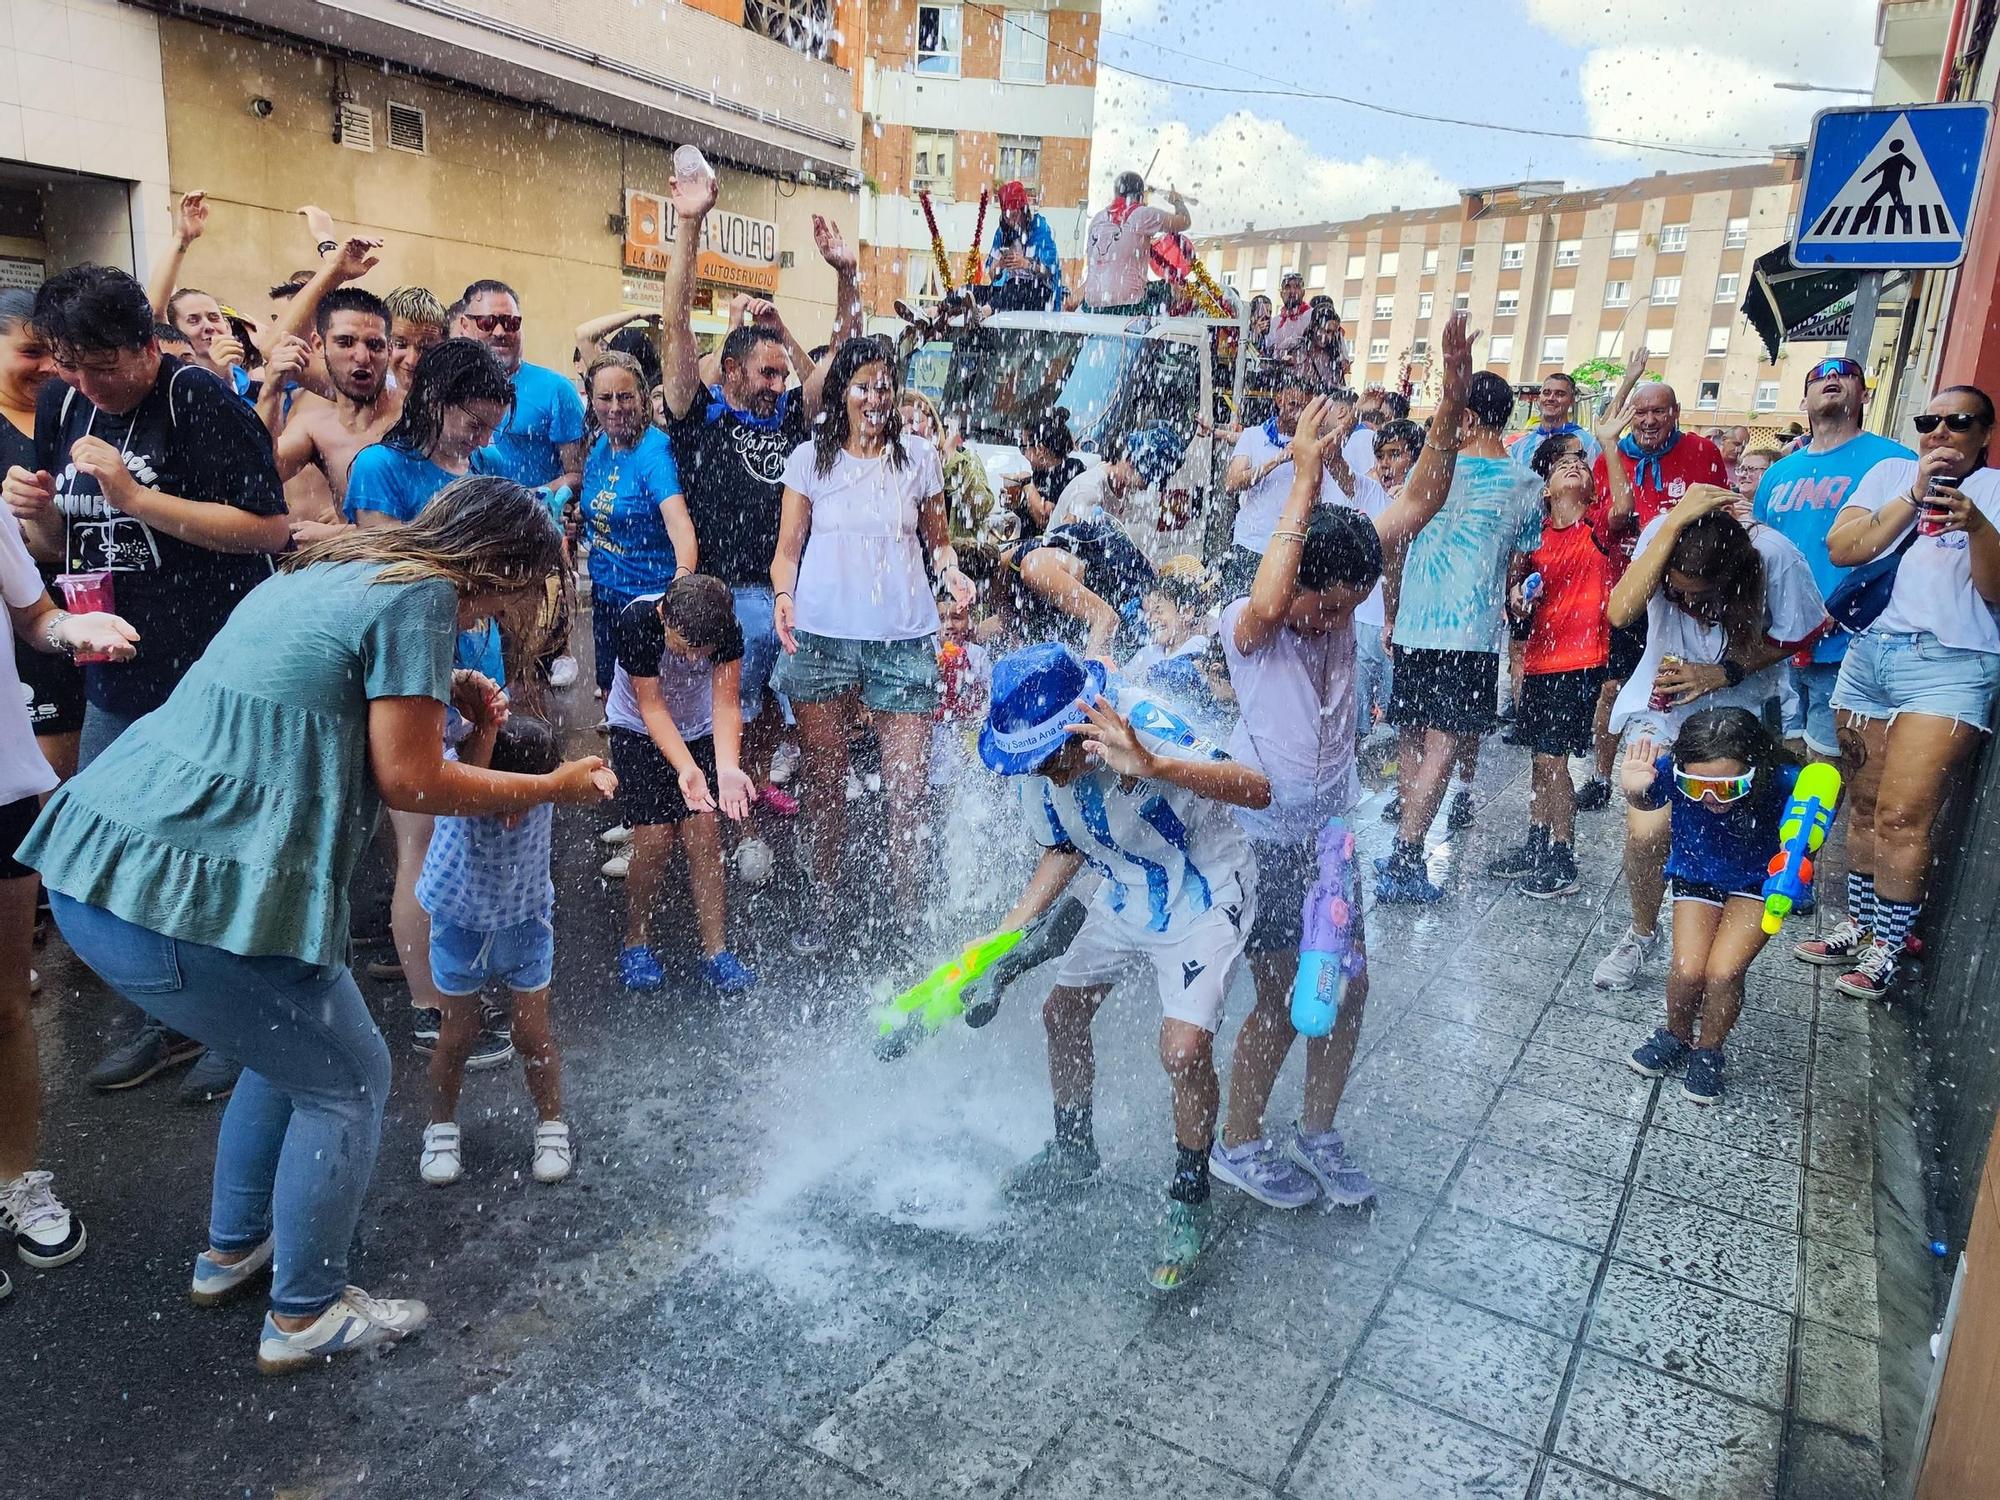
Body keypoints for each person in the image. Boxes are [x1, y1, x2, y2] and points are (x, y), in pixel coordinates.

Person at [18, 477, 614, 1369]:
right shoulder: (422, 595)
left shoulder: (346, 564)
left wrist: (430, 681)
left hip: (116, 864)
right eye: (523, 590)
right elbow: (412, 781)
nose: (515, 612)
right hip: (178, 898)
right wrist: (552, 786)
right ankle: (303, 1312)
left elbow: (312, 674)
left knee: (286, 1047)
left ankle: (234, 1249)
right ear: (498, 569)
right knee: (348, 1076)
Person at [5, 264, 291, 1103]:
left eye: (101, 363)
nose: (83, 380)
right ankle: (155, 1020)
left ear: (144, 344)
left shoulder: (198, 401)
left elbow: (266, 528)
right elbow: (65, 541)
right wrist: (36, 511)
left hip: (211, 669)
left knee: (215, 854)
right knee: (110, 856)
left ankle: (233, 1029)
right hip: (111, 670)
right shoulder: (65, 403)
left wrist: (135, 495)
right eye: (68, 362)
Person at [1210, 330, 1470, 1212]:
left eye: (1348, 610)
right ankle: (1236, 1144)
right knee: (1282, 1000)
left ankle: (1318, 1129)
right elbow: (1282, 595)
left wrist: (1454, 403)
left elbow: (1417, 507)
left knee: (1348, 988)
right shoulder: (1250, 623)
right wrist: (1306, 473)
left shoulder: (1345, 578)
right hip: (1262, 838)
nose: (1329, 623)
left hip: (1325, 835)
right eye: (1324, 607)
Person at [977, 643, 1272, 1291]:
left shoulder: (1145, 719)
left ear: (1081, 726)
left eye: (1048, 756)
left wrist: (1156, 763)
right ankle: (1072, 1151)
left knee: (1184, 1050)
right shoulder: (1041, 773)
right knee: (1061, 1014)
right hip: (1123, 888)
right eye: (1028, 762)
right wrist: (1006, 932)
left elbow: (1258, 788)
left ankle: (1189, 1195)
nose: (1043, 774)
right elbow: (1062, 848)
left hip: (1203, 887)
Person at [660, 167, 859, 806]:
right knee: (724, 722)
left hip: (787, 594)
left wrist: (846, 276)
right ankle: (723, 818)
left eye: (783, 375)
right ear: (733, 371)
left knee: (780, 715)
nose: (779, 386)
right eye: (767, 374)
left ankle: (758, 810)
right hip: (724, 594)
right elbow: (677, 333)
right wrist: (689, 226)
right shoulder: (700, 415)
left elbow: (840, 365)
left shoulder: (795, 420)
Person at [345, 337, 519, 1060]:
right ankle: (429, 1005)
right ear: (434, 401)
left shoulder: (486, 465)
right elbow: (390, 571)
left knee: (469, 839)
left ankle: (462, 986)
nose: (481, 440)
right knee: (419, 840)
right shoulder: (382, 469)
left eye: (491, 426)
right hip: (412, 674)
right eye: (471, 422)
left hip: (481, 663)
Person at [771, 336, 973, 951]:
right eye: (863, 384)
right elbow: (786, 553)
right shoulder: (812, 460)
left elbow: (938, 544)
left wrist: (951, 572)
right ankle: (824, 901)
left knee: (907, 787)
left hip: (903, 639)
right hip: (821, 638)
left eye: (885, 384)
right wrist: (784, 597)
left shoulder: (919, 460)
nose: (876, 396)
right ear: (843, 393)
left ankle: (910, 914)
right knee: (825, 778)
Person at [1591, 487, 1826, 990]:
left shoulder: (1773, 556)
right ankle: (1642, 932)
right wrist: (1672, 523)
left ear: (1733, 580)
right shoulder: (1664, 535)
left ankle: (1717, 950)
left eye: (1701, 597)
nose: (1686, 605)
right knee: (1648, 831)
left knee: (1732, 831)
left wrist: (1725, 672)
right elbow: (1619, 612)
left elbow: (1801, 634)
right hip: (1664, 710)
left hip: (1743, 720)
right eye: (1676, 593)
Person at [1819, 385, 2000, 999]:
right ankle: (1862, 926)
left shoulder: (1995, 491)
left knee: (1902, 814)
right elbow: (1845, 549)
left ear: (1984, 434)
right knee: (1864, 807)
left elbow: (1996, 591)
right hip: (1869, 656)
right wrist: (1913, 493)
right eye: (1931, 420)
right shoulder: (1891, 471)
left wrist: (1974, 524)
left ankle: (1889, 946)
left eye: (1959, 422)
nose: (1941, 432)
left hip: (1949, 664)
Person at [1378, 370, 1544, 904]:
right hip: (1470, 632)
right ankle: (1406, 854)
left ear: (1466, 416)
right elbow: (1518, 563)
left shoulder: (1430, 474)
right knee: (1443, 743)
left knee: (1410, 735)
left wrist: (1392, 613)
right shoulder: (1525, 485)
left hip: (1414, 622)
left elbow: (1397, 546)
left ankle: (1403, 845)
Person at [416, 706, 576, 1188]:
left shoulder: (546, 790)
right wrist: (483, 723)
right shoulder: (458, 791)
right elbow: (468, 768)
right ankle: (440, 1126)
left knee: (533, 1035)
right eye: (507, 794)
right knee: (456, 1036)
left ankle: (551, 1125)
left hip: (524, 921)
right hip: (459, 921)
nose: (514, 813)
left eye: (527, 796)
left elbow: (577, 781)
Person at [1621, 709, 1799, 1104]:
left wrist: (1801, 856)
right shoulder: (1670, 770)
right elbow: (1648, 801)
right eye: (1696, 786)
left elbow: (1814, 819)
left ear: (1756, 769)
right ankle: (1676, 1035)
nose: (1709, 798)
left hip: (1756, 883)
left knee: (1723, 971)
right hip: (1696, 877)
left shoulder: (1784, 782)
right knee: (1687, 970)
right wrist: (1634, 790)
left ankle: (1709, 1049)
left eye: (1727, 788)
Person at [1753, 355, 1912, 769]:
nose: (1830, 378)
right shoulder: (1779, 472)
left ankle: (1807, 836)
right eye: (1818, 375)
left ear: (1864, 393)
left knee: (1828, 768)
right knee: (1777, 758)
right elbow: (1760, 550)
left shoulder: (1895, 462)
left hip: (1849, 641)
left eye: (1845, 373)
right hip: (1779, 644)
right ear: (1803, 400)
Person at [1580, 357, 1724, 809]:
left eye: (1657, 411)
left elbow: (1721, 521)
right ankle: (1602, 775)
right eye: (1640, 412)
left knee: (1678, 683)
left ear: (1675, 413)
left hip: (1687, 598)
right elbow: (1615, 518)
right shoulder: (1612, 458)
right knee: (1612, 688)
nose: (1648, 420)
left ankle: (1678, 770)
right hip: (1627, 592)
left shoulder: (1701, 452)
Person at [606, 574, 758, 992]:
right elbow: (651, 707)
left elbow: (726, 703)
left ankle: (716, 951)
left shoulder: (725, 627)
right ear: (665, 618)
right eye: (685, 649)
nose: (693, 660)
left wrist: (726, 768)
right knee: (654, 840)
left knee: (704, 837)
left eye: (702, 653)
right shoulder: (638, 620)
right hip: (637, 728)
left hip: (698, 727)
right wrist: (685, 768)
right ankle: (635, 940)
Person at [1485, 437, 1612, 897]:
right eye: (1562, 464)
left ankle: (1563, 854)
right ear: (1546, 488)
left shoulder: (1599, 527)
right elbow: (1516, 601)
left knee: (1552, 759)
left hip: (1580, 661)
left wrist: (1612, 440)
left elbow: (1622, 504)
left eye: (1580, 462)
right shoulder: (1536, 537)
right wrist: (1518, 600)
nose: (1574, 466)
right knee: (1540, 761)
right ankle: (1537, 842)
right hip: (1540, 660)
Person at [0, 293, 83, 790]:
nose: (49, 365)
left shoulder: (80, 409)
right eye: (32, 352)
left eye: (58, 351)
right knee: (45, 783)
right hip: (23, 623)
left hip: (95, 607)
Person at [580, 351, 696, 696]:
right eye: (605, 397)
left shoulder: (654, 453)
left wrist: (680, 587)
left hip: (648, 599)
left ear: (643, 397)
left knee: (650, 704)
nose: (615, 407)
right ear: (592, 400)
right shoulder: (600, 445)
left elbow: (681, 527)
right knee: (610, 689)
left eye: (625, 396)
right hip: (605, 593)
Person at [258, 243, 401, 521]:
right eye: (345, 342)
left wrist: (342, 534)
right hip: (345, 562)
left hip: (407, 562)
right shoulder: (316, 427)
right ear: (318, 345)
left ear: (389, 349)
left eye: (374, 345)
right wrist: (271, 392)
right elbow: (260, 476)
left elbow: (432, 524)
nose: (361, 357)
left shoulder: (416, 415)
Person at [454, 280, 586, 507]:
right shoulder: (450, 386)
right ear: (465, 325)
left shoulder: (556, 389)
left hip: (530, 528)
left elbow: (578, 474)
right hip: (462, 524)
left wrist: (521, 501)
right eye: (488, 322)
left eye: (510, 322)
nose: (500, 331)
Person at [1044, 422, 1186, 534]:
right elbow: (1068, 545)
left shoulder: (1122, 487)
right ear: (1130, 460)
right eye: (1146, 478)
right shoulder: (1089, 491)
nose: (1147, 486)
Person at [1079, 171, 1188, 315]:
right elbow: (1184, 222)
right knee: (1167, 292)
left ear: (1116, 192)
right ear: (1141, 194)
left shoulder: (1098, 219)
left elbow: (1097, 268)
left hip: (1092, 307)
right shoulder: (1142, 215)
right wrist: (1178, 202)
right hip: (1128, 308)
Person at [900, 389, 993, 545]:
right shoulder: (895, 468)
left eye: (916, 420)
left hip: (953, 560)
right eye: (903, 424)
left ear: (933, 424)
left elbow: (981, 507)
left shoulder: (965, 459)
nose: (912, 429)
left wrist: (951, 462)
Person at [983, 180, 1064, 313]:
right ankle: (943, 309)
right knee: (976, 290)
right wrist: (1000, 265)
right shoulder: (1002, 234)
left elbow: (1050, 271)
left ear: (1023, 211)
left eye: (1014, 216)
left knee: (1015, 288)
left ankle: (986, 310)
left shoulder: (1040, 230)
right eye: (1006, 217)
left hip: (1038, 293)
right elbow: (992, 276)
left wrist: (1025, 263)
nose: (1011, 222)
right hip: (1007, 291)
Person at [1006, 407, 1084, 537]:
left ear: (1040, 449)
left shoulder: (1071, 471)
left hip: (1048, 550)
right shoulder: (1039, 472)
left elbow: (1045, 520)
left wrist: (1027, 484)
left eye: (1024, 447)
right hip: (1027, 546)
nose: (1023, 454)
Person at [1509, 370, 1603, 470]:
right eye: (1546, 393)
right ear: (1539, 398)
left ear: (1571, 400)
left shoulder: (1588, 444)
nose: (1551, 398)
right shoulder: (1519, 447)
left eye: (1560, 394)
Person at [384, 285, 448, 390]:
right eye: (400, 345)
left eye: (425, 348)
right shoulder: (361, 395)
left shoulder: (458, 400)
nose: (412, 361)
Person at [1290, 304, 1350, 392]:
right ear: (1314, 327)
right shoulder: (1295, 347)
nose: (1329, 337)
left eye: (1333, 333)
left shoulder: (1333, 356)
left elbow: (1339, 389)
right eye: (1327, 331)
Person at [1266, 270, 1313, 358]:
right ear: (1281, 293)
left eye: (1297, 287)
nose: (1292, 291)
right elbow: (1269, 350)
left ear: (1303, 292)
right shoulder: (1275, 322)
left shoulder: (1312, 316)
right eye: (1287, 287)